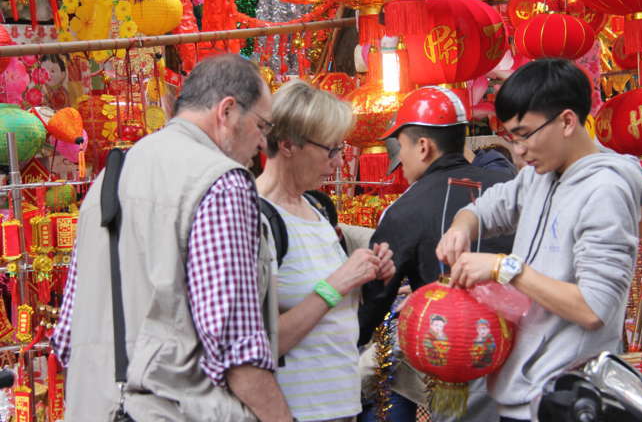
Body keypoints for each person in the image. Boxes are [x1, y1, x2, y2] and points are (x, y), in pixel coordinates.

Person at [51, 54, 293, 421]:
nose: (263, 142)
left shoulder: (109, 180)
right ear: (226, 112)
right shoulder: (220, 181)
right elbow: (236, 349)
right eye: (262, 125)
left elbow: (68, 336)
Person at [436, 58, 642, 422]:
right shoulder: (541, 177)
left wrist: (503, 268)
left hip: (564, 398)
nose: (519, 150)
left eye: (525, 134)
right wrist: (460, 227)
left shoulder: (605, 190)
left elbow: (593, 309)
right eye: (512, 137)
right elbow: (486, 209)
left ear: (568, 121)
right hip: (525, 393)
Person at [358, 85, 515, 422]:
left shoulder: (404, 210)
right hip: (522, 352)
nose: (401, 162)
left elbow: (374, 299)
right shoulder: (508, 189)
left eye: (401, 148)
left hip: (455, 361)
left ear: (424, 147)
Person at [256, 79, 395, 422]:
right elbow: (260, 343)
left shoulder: (316, 210)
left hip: (339, 406)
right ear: (289, 145)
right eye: (330, 150)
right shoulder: (255, 217)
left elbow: (334, 308)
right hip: (294, 411)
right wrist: (339, 283)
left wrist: (369, 278)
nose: (337, 161)